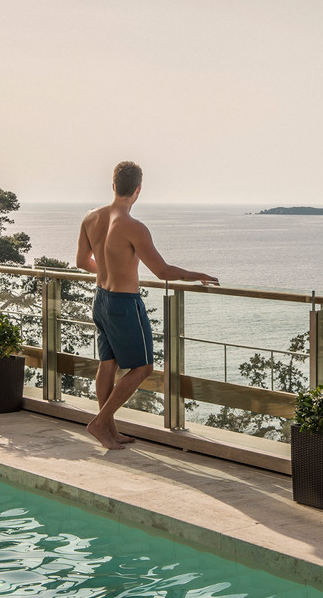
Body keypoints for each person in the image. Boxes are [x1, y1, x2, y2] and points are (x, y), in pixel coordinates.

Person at [75, 161, 218, 450]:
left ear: (113, 185)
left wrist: (108, 270)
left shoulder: (91, 217)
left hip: (100, 299)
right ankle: (100, 423)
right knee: (143, 367)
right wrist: (197, 275)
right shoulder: (133, 227)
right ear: (138, 190)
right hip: (124, 303)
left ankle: (109, 430)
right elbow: (162, 272)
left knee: (108, 363)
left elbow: (81, 262)